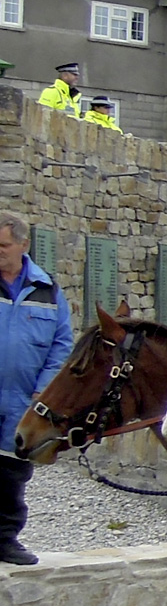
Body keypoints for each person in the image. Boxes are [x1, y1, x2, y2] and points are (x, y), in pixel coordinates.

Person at [0, 211, 75, 566]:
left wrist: (43, 390)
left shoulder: (48, 291)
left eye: (3, 245)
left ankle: (5, 540)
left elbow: (62, 345)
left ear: (23, 245)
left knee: (12, 474)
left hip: (23, 400)